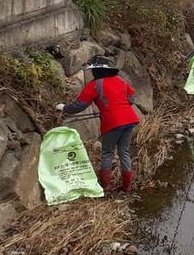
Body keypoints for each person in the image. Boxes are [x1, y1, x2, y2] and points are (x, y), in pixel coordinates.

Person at [57, 55, 140, 193]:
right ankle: (127, 187)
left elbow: (79, 105)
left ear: (97, 71)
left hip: (112, 122)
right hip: (130, 120)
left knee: (108, 153)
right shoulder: (121, 81)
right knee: (124, 152)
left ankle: (106, 187)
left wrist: (64, 107)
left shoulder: (95, 85)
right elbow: (131, 99)